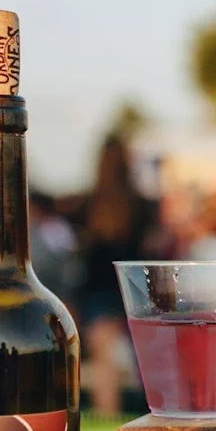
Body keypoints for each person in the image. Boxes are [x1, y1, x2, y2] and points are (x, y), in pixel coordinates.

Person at [75, 135, 158, 413]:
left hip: (97, 289)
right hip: (133, 286)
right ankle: (154, 413)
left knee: (104, 363)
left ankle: (107, 416)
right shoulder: (142, 205)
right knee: (144, 360)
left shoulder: (86, 204)